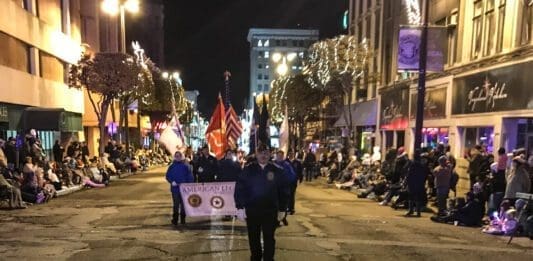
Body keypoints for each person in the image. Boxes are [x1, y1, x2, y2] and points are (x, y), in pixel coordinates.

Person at [234, 145, 290, 261]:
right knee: (253, 238)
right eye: (261, 153)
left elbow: (284, 190)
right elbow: (240, 188)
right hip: (253, 210)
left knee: (269, 238)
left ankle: (269, 258)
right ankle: (255, 258)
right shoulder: (248, 170)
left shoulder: (277, 170)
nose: (263, 155)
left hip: (270, 211)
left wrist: (282, 209)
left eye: (266, 153)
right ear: (256, 154)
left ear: (270, 154)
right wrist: (240, 207)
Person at [166, 150, 194, 225]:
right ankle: (175, 219)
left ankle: (182, 219)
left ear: (181, 157)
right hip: (175, 189)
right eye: (176, 156)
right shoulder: (172, 166)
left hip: (184, 189)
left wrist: (188, 185)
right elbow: (168, 176)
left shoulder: (186, 166)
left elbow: (190, 176)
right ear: (175, 157)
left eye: (179, 156)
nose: (178, 157)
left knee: (183, 204)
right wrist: (172, 181)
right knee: (176, 204)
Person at [274, 150, 297, 215]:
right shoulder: (272, 164)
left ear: (283, 156)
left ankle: (282, 217)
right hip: (274, 188)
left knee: (283, 204)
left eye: (281, 156)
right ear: (276, 156)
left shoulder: (287, 165)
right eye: (278, 156)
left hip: (284, 188)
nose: (279, 157)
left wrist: (287, 182)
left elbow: (292, 175)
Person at [405, 152, 426, 217]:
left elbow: (409, 174)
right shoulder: (421, 165)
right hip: (419, 183)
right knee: (418, 197)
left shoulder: (412, 164)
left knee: (411, 197)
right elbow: (424, 175)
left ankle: (411, 210)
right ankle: (418, 211)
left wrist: (406, 182)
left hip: (413, 183)